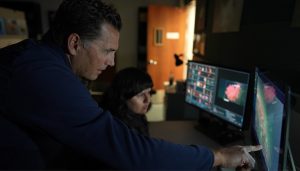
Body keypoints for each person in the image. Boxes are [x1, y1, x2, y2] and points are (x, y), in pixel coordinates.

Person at [0, 0, 262, 170]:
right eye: (107, 51)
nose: (112, 61)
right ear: (74, 43)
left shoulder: (38, 58)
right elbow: (131, 151)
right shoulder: (43, 75)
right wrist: (218, 157)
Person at [101, 67, 153, 136]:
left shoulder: (136, 117)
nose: (148, 100)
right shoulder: (115, 127)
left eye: (149, 92)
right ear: (123, 97)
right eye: (140, 95)